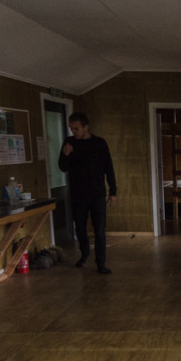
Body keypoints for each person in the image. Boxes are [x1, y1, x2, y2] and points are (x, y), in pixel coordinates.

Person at [58, 112, 116, 274]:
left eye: (76, 128)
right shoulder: (69, 143)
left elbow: (108, 168)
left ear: (85, 127)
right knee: (80, 228)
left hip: (97, 193)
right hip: (77, 194)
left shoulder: (99, 143)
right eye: (71, 129)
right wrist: (66, 154)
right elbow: (63, 167)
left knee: (99, 230)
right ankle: (84, 254)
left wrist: (113, 191)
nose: (73, 132)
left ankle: (101, 263)